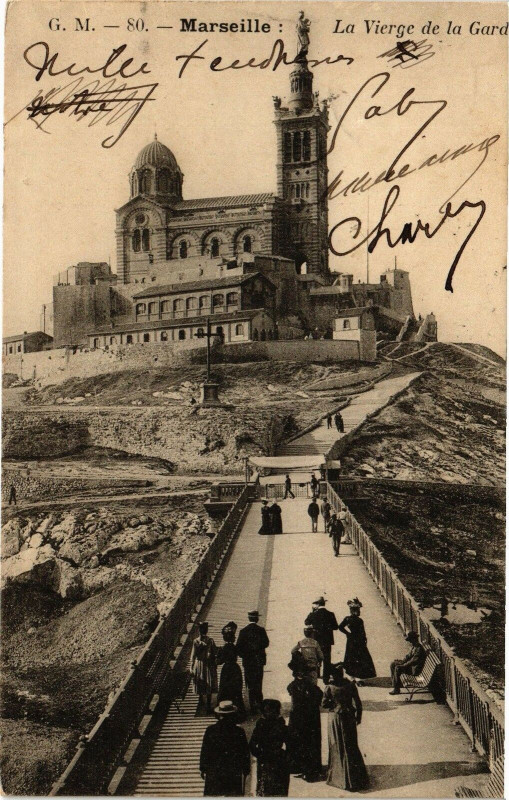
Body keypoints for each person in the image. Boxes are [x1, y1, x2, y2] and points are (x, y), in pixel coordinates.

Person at [322, 663, 369, 791]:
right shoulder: (351, 685)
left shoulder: (330, 688)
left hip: (336, 718)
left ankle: (339, 777)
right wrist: (358, 717)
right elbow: (358, 703)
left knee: (337, 745)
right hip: (349, 717)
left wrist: (335, 703)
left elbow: (324, 704)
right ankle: (356, 779)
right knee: (351, 745)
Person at [200, 700, 251, 796]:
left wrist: (203, 768)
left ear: (219, 715)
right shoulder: (239, 731)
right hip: (232, 770)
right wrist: (246, 768)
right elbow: (245, 751)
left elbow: (205, 750)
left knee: (214, 795)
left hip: (215, 769)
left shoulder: (210, 730)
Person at [287, 662, 323, 781]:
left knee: (299, 741)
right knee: (309, 742)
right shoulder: (310, 686)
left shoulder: (293, 686)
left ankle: (299, 766)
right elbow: (319, 696)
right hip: (309, 717)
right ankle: (310, 767)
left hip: (298, 717)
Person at [249, 699, 290, 796]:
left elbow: (252, 745)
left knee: (265, 789)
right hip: (278, 759)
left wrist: (260, 754)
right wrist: (285, 755)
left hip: (265, 760)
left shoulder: (261, 726)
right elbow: (292, 745)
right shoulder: (281, 726)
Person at [236, 610, 270, 713]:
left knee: (249, 683)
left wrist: (245, 655)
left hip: (248, 662)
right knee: (258, 682)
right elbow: (266, 643)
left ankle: (252, 705)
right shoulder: (261, 630)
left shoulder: (243, 631)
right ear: (257, 619)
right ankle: (259, 703)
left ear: (248, 618)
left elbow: (238, 648)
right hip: (259, 661)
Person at [338, 599, 376, 682]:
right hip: (359, 641)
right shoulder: (359, 620)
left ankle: (352, 677)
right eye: (358, 610)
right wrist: (365, 640)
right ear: (355, 611)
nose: (359, 612)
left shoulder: (347, 619)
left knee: (351, 657)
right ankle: (359, 677)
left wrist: (347, 633)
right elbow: (363, 632)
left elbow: (340, 627)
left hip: (351, 641)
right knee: (361, 658)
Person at [305, 596, 339, 685]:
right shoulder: (331, 614)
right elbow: (335, 627)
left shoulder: (314, 614)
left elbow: (306, 622)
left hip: (316, 640)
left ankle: (317, 674)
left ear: (317, 605)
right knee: (327, 659)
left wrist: (312, 612)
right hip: (327, 641)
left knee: (316, 658)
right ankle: (325, 679)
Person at [217, 622, 246, 720]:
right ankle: (238, 711)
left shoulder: (224, 648)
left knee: (225, 690)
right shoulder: (234, 647)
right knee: (236, 690)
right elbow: (241, 654)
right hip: (235, 669)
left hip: (226, 670)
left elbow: (219, 661)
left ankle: (225, 710)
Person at [191, 622, 218, 713]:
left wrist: (191, 667)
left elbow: (193, 656)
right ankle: (208, 705)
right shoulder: (210, 641)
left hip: (199, 664)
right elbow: (215, 652)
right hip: (208, 664)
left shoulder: (195, 641)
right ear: (207, 630)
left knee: (200, 681)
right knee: (209, 682)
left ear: (199, 630)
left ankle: (201, 699)